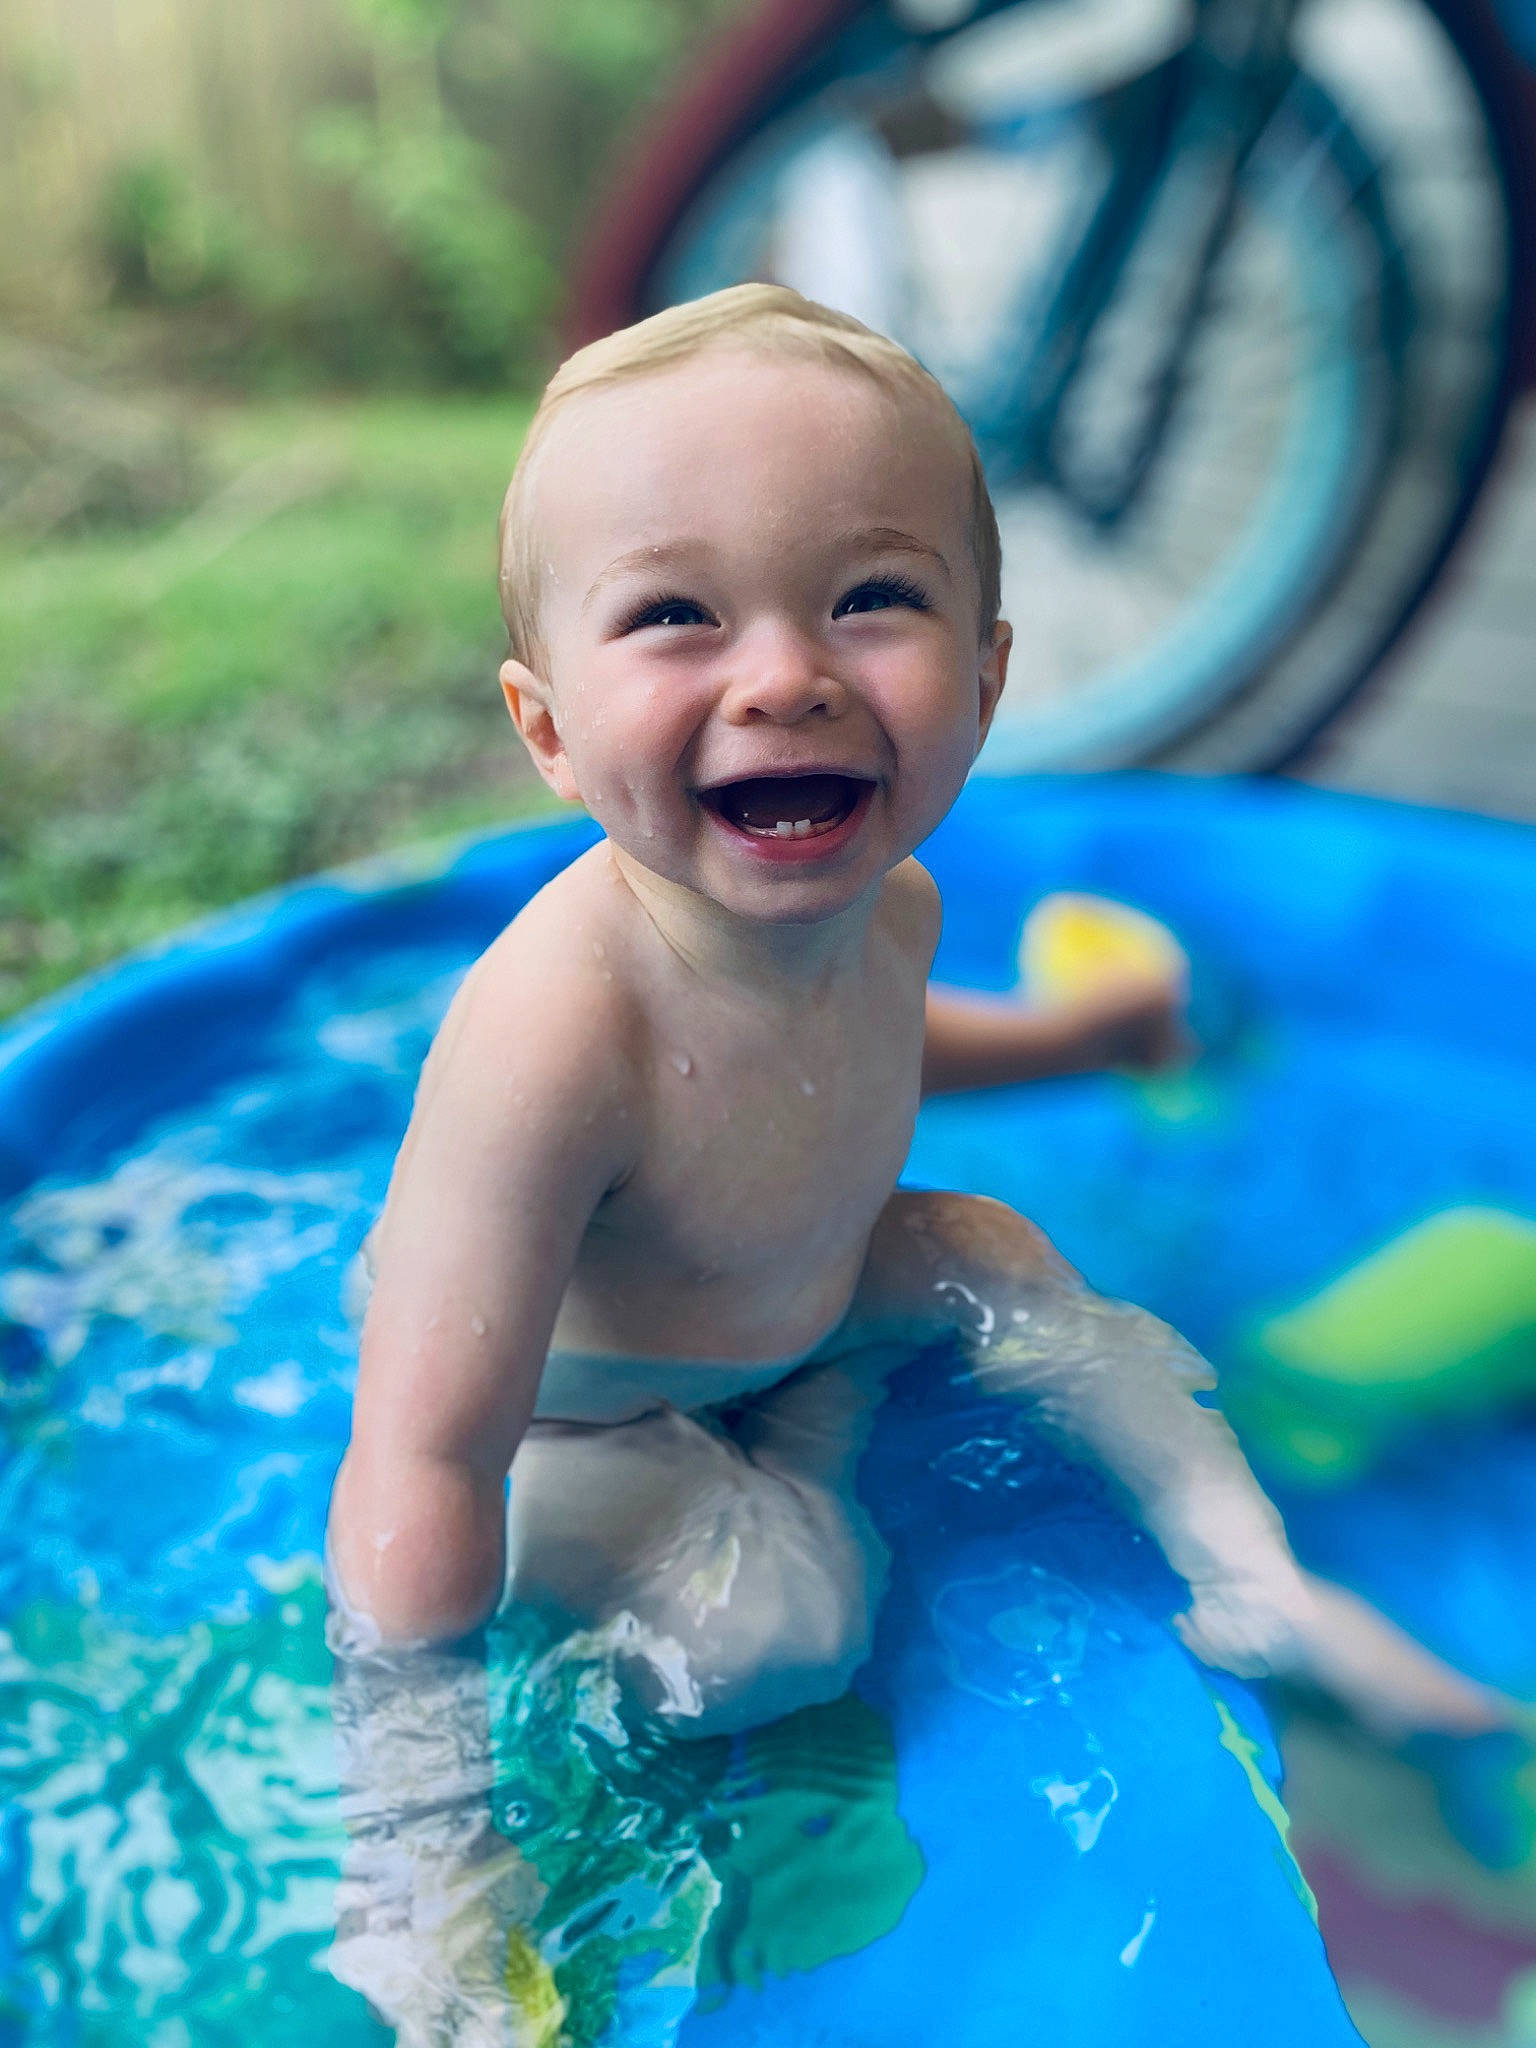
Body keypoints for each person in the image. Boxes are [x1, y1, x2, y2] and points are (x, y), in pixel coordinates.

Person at [322, 284, 1508, 2040]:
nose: (789, 673)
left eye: (872, 597)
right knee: (788, 1615)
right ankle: (812, 1449)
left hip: (778, 1297)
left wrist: (1087, 1040)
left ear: (988, 671)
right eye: (675, 615)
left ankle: (1252, 1573)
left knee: (991, 1248)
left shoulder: (890, 909)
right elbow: (422, 1449)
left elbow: (884, 1050)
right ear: (550, 729)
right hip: (579, 1425)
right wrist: (425, 1835)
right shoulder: (551, 1043)